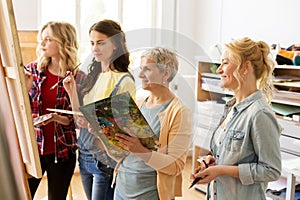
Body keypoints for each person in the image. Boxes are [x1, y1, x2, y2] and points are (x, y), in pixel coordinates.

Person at [191, 37, 282, 200]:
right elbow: (234, 155)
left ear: (245, 67)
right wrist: (214, 161)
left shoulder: (260, 114)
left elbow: (271, 170)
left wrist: (221, 170)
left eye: (225, 63)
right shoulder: (230, 108)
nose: (218, 70)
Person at [63, 19, 136, 200]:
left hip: (104, 157)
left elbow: (124, 127)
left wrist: (96, 126)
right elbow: (80, 117)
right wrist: (71, 91)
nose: (95, 48)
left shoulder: (124, 80)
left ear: (115, 45)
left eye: (101, 43)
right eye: (92, 43)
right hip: (85, 153)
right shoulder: (94, 76)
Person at [113, 47, 192, 200]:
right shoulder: (139, 103)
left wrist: (140, 150)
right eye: (141, 69)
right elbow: (123, 154)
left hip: (149, 195)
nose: (140, 75)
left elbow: (175, 166)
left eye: (147, 69)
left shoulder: (179, 112)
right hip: (121, 190)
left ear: (166, 73)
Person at [24, 21, 81, 200]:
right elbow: (19, 111)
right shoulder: (32, 71)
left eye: (48, 39)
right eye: (42, 39)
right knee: (23, 195)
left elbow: (79, 120)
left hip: (63, 151)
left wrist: (58, 118)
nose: (42, 44)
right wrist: (25, 88)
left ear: (64, 43)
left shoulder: (78, 77)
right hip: (33, 149)